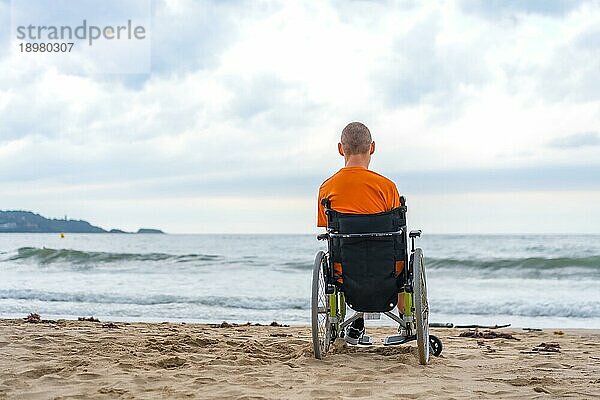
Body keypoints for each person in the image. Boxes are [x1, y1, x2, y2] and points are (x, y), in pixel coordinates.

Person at [317, 121, 405, 345]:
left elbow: (330, 233)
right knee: (401, 260)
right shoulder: (387, 187)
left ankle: (353, 322)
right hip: (386, 268)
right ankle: (406, 319)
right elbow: (395, 234)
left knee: (342, 252)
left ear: (340, 149)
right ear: (372, 147)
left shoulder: (327, 189)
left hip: (344, 271)